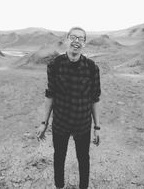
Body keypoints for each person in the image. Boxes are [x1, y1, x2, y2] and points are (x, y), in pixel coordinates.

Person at [36, 27, 101, 189]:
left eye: (80, 38)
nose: (76, 41)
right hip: (60, 123)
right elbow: (50, 95)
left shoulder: (92, 68)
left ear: (84, 43)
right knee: (59, 158)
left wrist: (97, 127)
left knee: (83, 159)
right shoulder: (55, 66)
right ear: (67, 40)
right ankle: (59, 186)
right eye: (73, 37)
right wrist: (44, 123)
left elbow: (95, 99)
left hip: (83, 124)